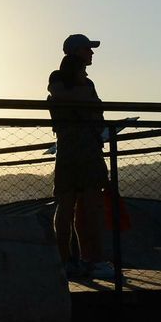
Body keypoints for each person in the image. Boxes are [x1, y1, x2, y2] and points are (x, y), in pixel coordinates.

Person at [48, 34, 113, 279]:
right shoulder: (70, 80)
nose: (92, 53)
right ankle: (93, 260)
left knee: (67, 205)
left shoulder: (59, 79)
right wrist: (90, 100)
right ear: (77, 51)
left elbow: (60, 97)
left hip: (67, 148)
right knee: (91, 207)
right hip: (84, 148)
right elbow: (84, 101)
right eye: (88, 48)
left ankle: (65, 261)